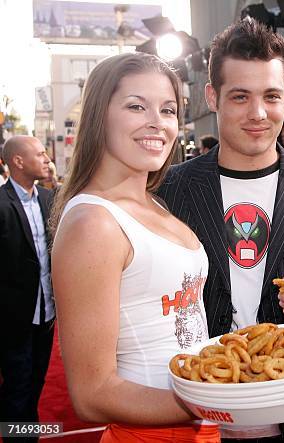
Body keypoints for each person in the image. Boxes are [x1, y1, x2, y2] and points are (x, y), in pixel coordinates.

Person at [157, 19, 284, 442]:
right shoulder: (169, 189)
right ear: (212, 97)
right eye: (240, 97)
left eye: (270, 95)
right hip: (198, 417)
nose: (258, 113)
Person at [49, 53, 220, 442]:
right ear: (99, 116)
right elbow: (92, 395)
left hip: (203, 428)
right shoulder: (93, 223)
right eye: (136, 106)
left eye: (168, 109)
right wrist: (220, 399)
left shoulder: (155, 203)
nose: (156, 123)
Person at [0, 136, 54, 441]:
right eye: (40, 154)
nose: (46, 159)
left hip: (45, 316)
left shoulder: (48, 199)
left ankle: (26, 432)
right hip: (13, 317)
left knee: (36, 382)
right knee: (17, 386)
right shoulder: (1, 203)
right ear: (18, 161)